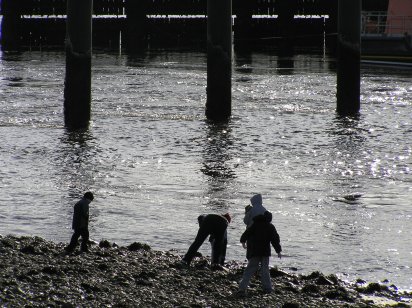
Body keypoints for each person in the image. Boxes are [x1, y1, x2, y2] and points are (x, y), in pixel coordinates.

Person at [238, 211, 282, 296]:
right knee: (265, 270)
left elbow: (247, 233)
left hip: (255, 251)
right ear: (269, 219)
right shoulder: (270, 226)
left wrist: (243, 241)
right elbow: (275, 240)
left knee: (250, 269)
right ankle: (267, 288)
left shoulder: (255, 224)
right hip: (265, 252)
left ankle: (242, 288)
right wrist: (278, 251)